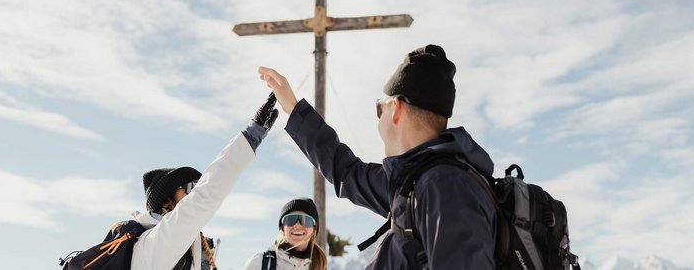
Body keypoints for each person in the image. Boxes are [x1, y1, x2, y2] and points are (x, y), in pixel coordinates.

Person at [258, 44, 497, 269]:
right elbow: (347, 172)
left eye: (379, 108)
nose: (378, 116)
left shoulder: (445, 187)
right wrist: (293, 108)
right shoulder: (413, 184)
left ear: (396, 109)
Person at [129, 93, 280, 270]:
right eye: (191, 188)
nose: (195, 193)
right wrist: (252, 136)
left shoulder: (189, 250)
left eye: (197, 187)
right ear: (168, 197)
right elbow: (206, 195)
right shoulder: (156, 243)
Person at [242, 198, 328, 270]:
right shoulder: (260, 263)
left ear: (314, 229)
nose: (297, 225)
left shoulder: (320, 265)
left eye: (305, 220)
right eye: (291, 220)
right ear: (282, 228)